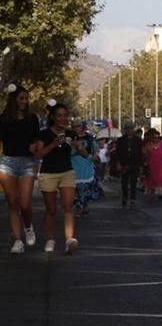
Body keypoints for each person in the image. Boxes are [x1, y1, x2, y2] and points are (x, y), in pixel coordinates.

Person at [34, 102, 86, 253]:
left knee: (68, 206)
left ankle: (69, 239)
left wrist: (78, 146)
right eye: (59, 116)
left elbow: (85, 155)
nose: (63, 119)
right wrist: (53, 144)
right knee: (50, 209)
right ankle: (50, 239)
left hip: (67, 172)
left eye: (65, 116)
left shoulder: (71, 134)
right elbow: (38, 154)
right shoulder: (44, 134)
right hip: (48, 173)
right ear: (53, 117)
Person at [0, 84, 40, 253]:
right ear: (13, 99)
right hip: (7, 163)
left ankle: (28, 226)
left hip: (27, 164)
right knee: (12, 203)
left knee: (25, 204)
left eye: (26, 98)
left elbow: (37, 140)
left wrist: (35, 147)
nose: (25, 101)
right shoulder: (3, 119)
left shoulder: (32, 118)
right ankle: (18, 241)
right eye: (21, 98)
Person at [71, 120, 101, 216]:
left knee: (85, 186)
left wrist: (95, 156)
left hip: (86, 163)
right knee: (75, 188)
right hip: (73, 163)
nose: (76, 128)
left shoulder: (89, 138)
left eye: (78, 126)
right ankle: (78, 206)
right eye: (74, 126)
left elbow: (96, 148)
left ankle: (84, 205)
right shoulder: (70, 138)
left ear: (82, 127)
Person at [116, 123, 142, 206]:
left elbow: (140, 153)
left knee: (133, 182)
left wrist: (141, 165)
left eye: (131, 129)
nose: (129, 130)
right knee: (124, 182)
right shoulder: (120, 140)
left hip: (134, 163)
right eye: (128, 129)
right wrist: (118, 163)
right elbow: (117, 153)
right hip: (124, 163)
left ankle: (132, 198)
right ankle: (125, 196)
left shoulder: (138, 140)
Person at [142, 129, 162, 199]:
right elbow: (144, 154)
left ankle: (160, 193)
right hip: (151, 164)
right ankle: (152, 192)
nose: (156, 139)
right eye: (154, 137)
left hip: (161, 165)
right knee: (151, 178)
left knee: (160, 178)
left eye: (157, 137)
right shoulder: (148, 145)